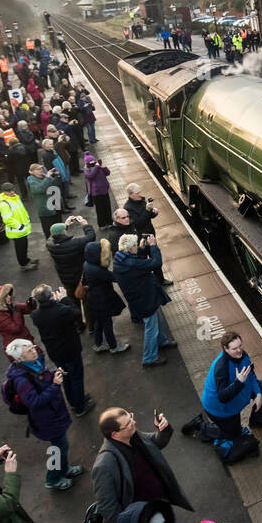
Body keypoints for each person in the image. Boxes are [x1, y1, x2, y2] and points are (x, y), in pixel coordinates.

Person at [92, 407, 192, 523]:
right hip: (143, 517)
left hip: (159, 503)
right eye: (128, 423)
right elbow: (108, 508)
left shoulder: (131, 436)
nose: (134, 422)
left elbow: (155, 443)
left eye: (131, 417)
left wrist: (162, 429)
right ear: (115, 435)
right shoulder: (104, 466)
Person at [3, 338, 84, 491]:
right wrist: (55, 385)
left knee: (61, 447)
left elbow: (42, 378)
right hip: (47, 420)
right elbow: (34, 402)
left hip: (53, 415)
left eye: (33, 347)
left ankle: (63, 470)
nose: (35, 351)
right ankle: (53, 479)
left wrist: (54, 375)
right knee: (57, 449)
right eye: (29, 351)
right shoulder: (21, 379)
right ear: (20, 358)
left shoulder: (32, 365)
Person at [194, 332, 262, 460]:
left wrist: (258, 394)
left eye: (240, 346)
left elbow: (251, 374)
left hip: (237, 395)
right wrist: (238, 383)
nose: (239, 350)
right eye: (234, 348)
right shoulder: (221, 368)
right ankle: (201, 426)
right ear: (225, 349)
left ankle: (257, 420)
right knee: (232, 434)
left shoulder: (243, 355)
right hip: (220, 409)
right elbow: (222, 397)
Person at [112, 234, 176, 367]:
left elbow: (136, 261)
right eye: (135, 245)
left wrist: (140, 249)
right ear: (130, 248)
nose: (136, 247)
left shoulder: (120, 259)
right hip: (144, 298)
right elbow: (155, 263)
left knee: (157, 319)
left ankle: (161, 341)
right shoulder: (132, 264)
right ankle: (149, 357)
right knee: (151, 328)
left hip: (142, 296)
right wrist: (153, 246)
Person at [29, 284, 93, 416]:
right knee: (76, 377)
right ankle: (80, 407)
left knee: (66, 378)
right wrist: (64, 299)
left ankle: (74, 402)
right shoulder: (61, 310)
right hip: (70, 350)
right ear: (51, 296)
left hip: (55, 353)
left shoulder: (36, 315)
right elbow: (76, 313)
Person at [82, 241, 129, 354]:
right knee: (107, 324)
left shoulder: (87, 264)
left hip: (94, 299)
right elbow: (114, 277)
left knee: (100, 322)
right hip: (102, 299)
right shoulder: (97, 270)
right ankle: (114, 346)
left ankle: (98, 344)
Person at [0, 283, 37, 361]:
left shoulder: (10, 306)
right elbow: (16, 328)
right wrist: (15, 311)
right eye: (5, 296)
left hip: (25, 340)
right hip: (18, 348)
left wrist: (30, 303)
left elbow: (26, 309)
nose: (9, 297)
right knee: (31, 365)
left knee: (37, 358)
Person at [0, 183, 39, 271]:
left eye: (13, 189)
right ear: (4, 192)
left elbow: (21, 210)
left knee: (24, 246)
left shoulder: (16, 197)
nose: (12, 192)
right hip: (17, 230)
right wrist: (19, 226)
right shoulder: (4, 204)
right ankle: (23, 264)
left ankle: (26, 260)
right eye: (9, 191)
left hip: (22, 228)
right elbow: (7, 219)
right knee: (20, 248)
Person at [26, 164, 62, 239]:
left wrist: (57, 176)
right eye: (38, 169)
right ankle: (52, 246)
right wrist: (48, 177)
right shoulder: (31, 179)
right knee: (49, 232)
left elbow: (56, 185)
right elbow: (39, 189)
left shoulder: (44, 177)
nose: (41, 171)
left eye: (41, 169)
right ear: (32, 172)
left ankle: (60, 243)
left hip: (55, 206)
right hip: (45, 210)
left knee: (59, 229)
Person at [83, 154, 112, 229]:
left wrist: (104, 167)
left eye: (93, 160)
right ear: (87, 163)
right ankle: (102, 224)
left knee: (107, 207)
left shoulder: (98, 167)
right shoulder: (87, 170)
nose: (93, 162)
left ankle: (109, 222)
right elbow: (90, 176)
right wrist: (96, 167)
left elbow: (107, 173)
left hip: (105, 191)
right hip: (96, 193)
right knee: (100, 209)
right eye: (91, 161)